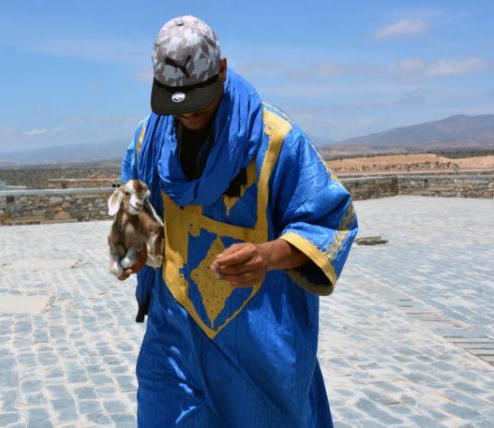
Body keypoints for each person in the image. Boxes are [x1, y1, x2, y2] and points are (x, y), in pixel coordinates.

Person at [118, 15, 358, 428]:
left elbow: (330, 221)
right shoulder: (148, 138)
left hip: (257, 345)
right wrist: (135, 242)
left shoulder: (277, 142)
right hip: (173, 337)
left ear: (222, 71)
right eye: (176, 101)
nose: (187, 114)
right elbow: (135, 203)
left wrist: (268, 256)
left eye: (198, 99)